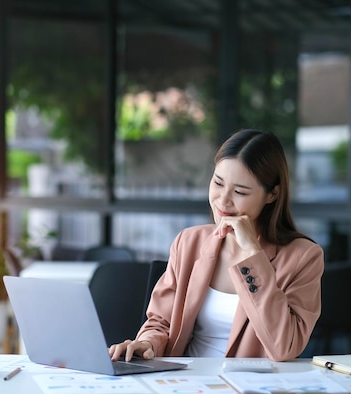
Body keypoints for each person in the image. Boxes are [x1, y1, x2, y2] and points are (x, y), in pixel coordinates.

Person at [109, 128, 324, 362]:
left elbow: (285, 347)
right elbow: (161, 322)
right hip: (186, 385)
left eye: (240, 191)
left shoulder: (304, 257)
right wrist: (146, 343)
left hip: (251, 390)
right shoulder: (188, 242)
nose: (223, 200)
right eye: (218, 183)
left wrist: (252, 254)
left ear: (272, 194)